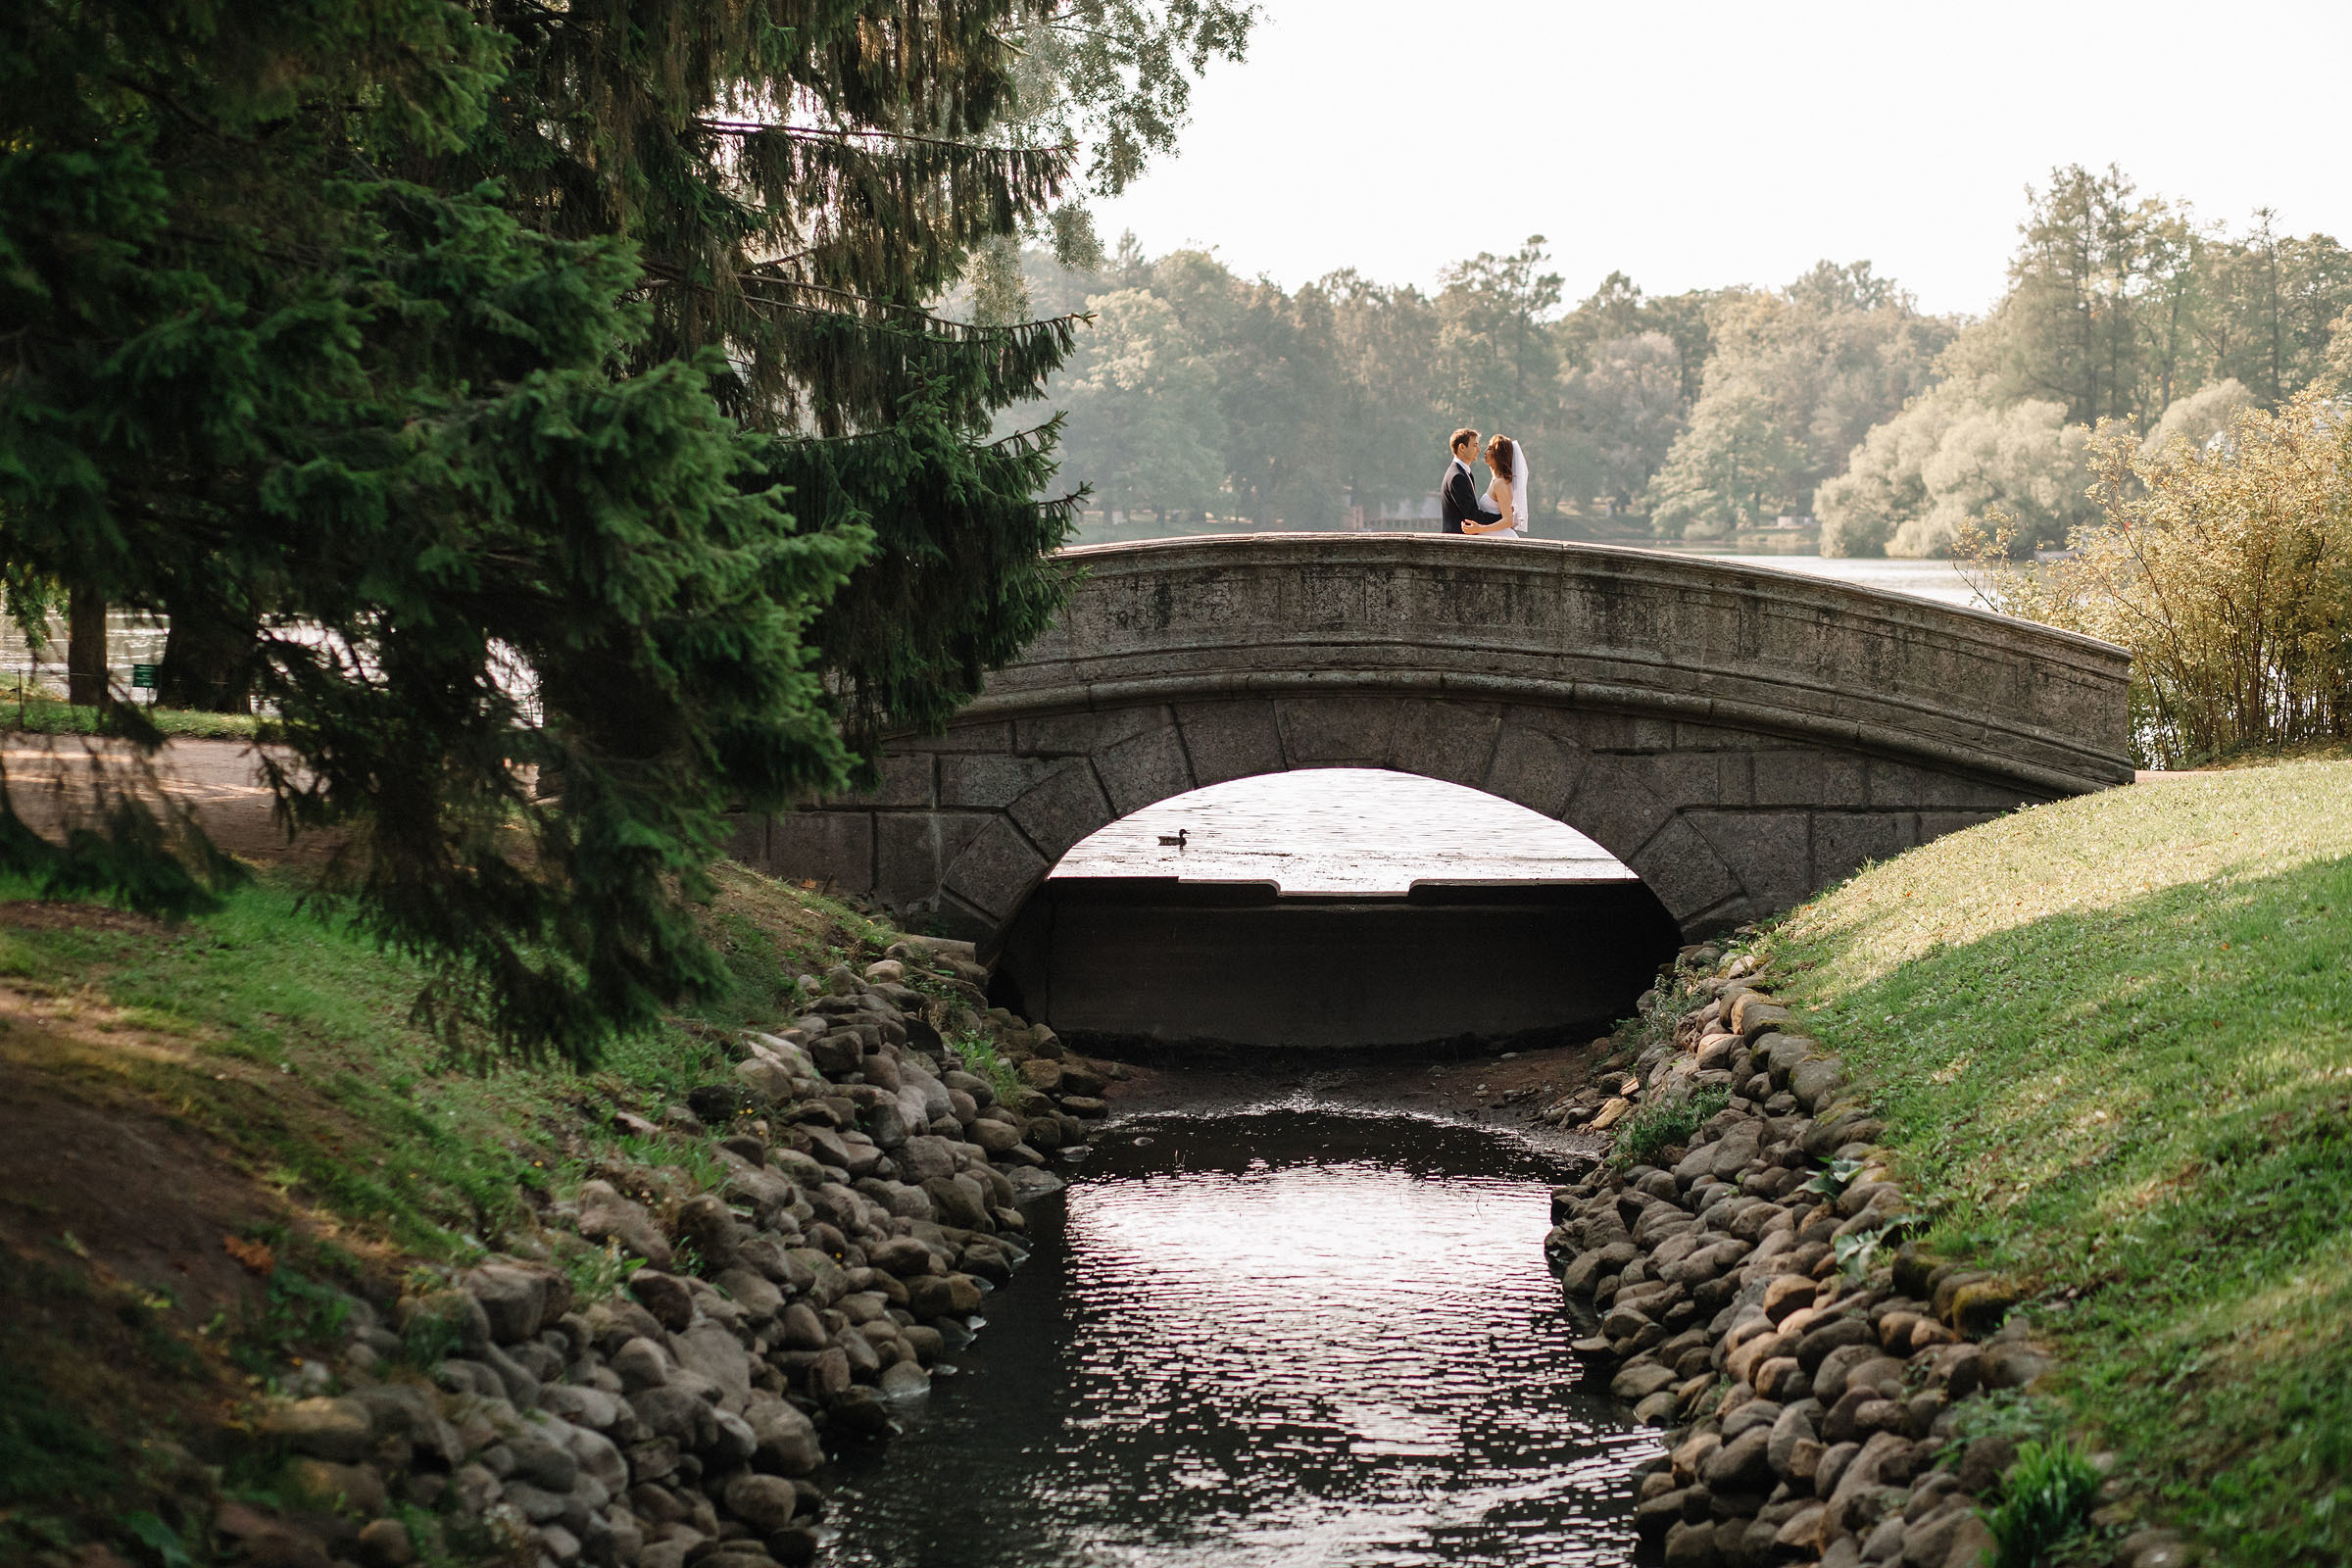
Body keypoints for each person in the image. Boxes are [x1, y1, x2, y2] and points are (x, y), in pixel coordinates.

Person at [1439, 428, 1503, 535]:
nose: (1478, 450)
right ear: (1462, 447)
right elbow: (1472, 515)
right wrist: (1502, 518)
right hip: (1457, 539)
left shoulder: (1463, 473)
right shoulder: (1457, 477)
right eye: (1475, 445)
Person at [1463, 434, 1529, 538]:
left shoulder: (1500, 483)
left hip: (1502, 537)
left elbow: (1508, 521)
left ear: (1499, 454)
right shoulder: (1496, 480)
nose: (1485, 452)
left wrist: (1480, 529)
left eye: (1489, 448)